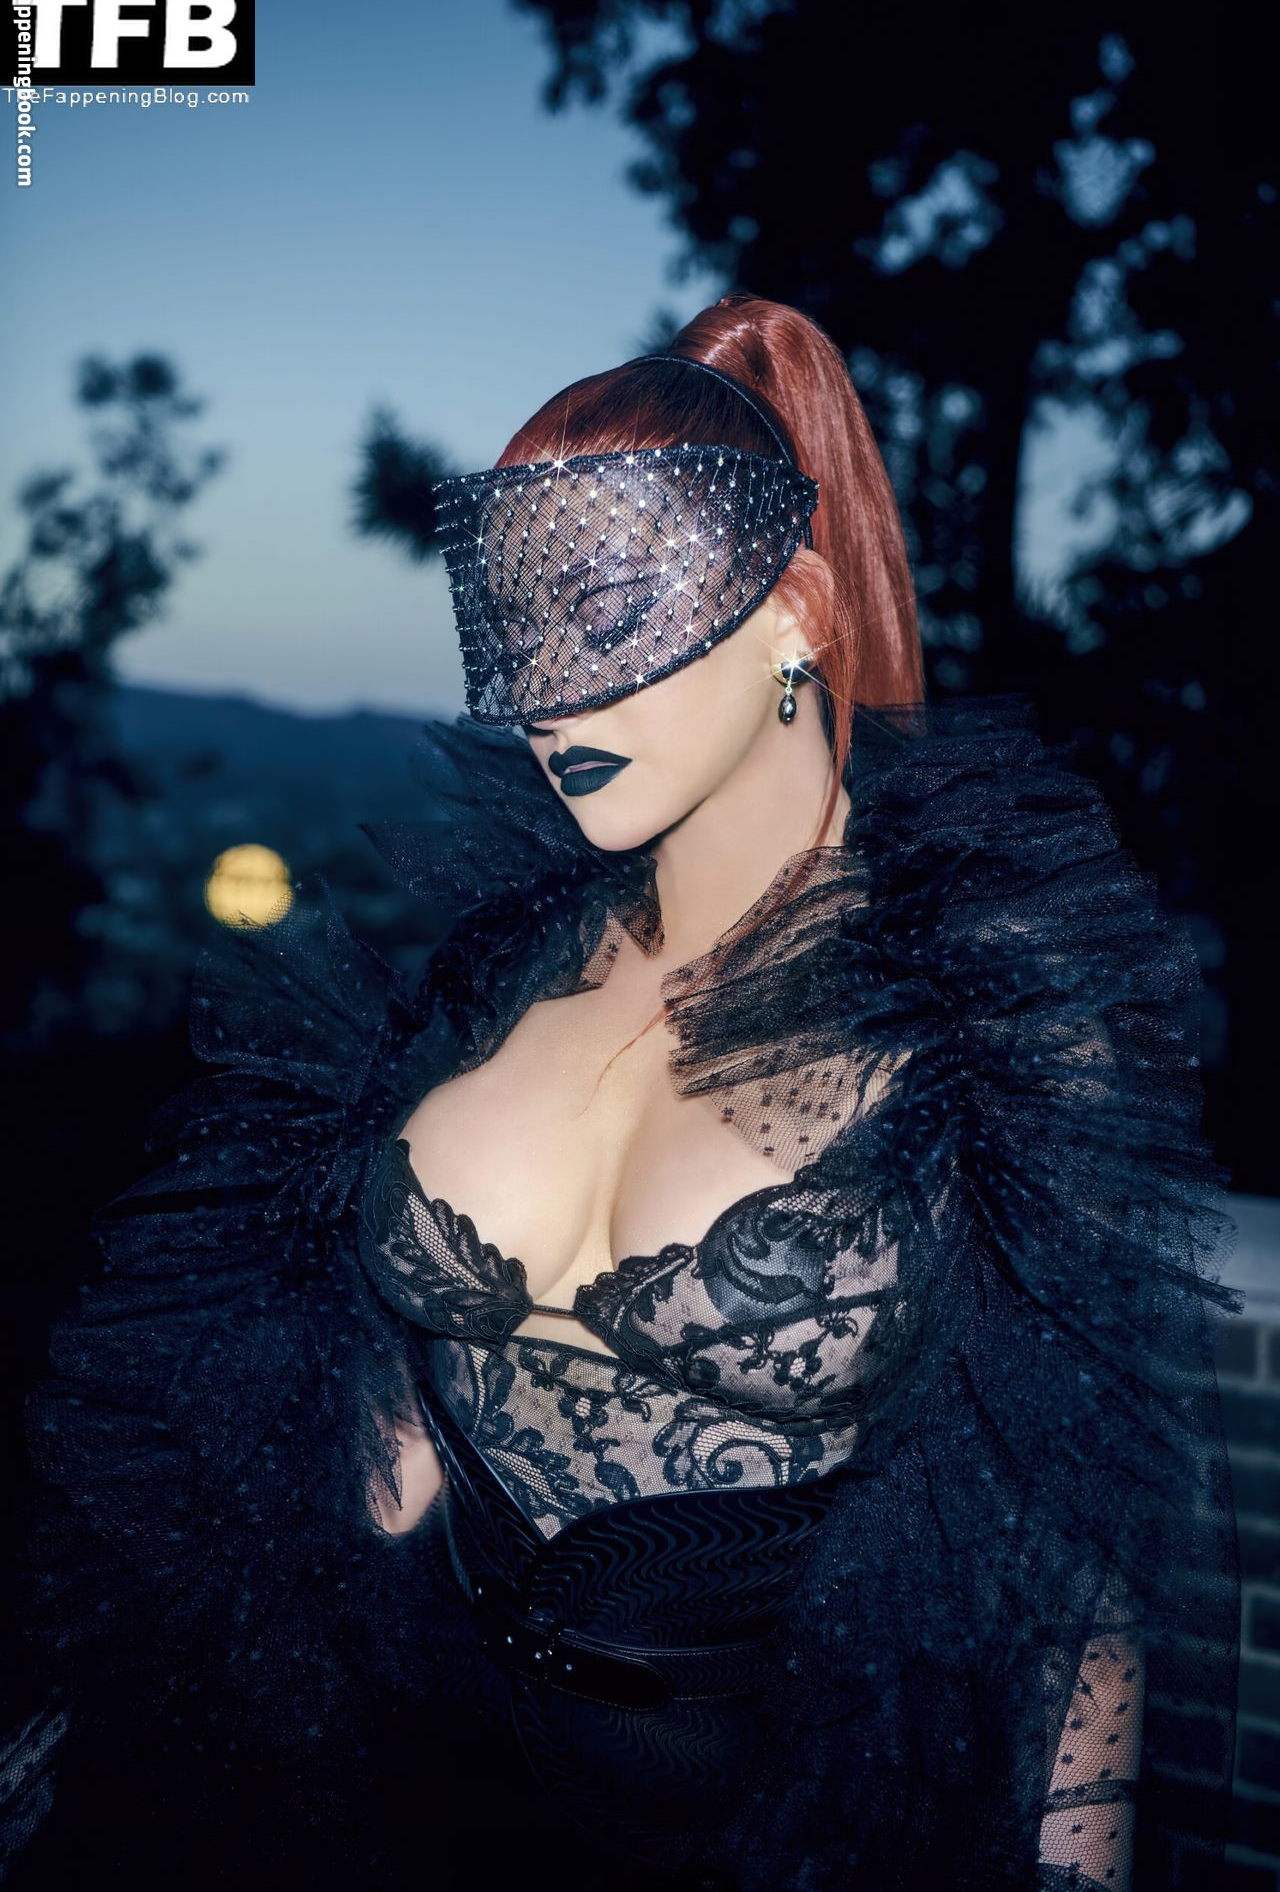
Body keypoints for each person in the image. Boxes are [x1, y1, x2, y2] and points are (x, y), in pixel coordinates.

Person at [3, 295, 1242, 1890]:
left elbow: (1067, 1576)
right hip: (389, 1801)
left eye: (604, 616)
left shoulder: (983, 1020)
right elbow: (355, 1448)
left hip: (767, 1843)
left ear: (794, 613)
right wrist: (115, 1712)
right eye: (514, 629)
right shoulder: (490, 976)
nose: (549, 697)